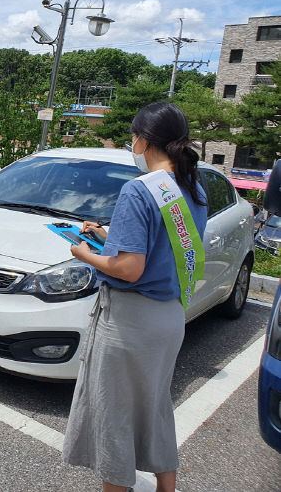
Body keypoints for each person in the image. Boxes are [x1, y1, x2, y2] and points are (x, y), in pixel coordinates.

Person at [62, 102, 208, 492]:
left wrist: (85, 253)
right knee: (156, 406)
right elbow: (166, 248)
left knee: (116, 414)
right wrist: (107, 238)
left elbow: (129, 269)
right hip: (169, 317)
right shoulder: (192, 189)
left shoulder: (138, 189)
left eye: (133, 136)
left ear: (143, 140)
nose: (132, 143)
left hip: (130, 323)